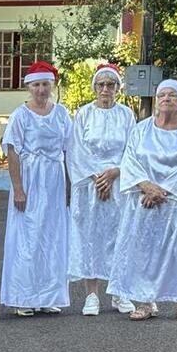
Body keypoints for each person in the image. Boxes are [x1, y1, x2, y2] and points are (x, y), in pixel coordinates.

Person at [107, 78, 177, 322]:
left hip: (174, 203)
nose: (166, 99)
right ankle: (146, 301)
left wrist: (163, 191)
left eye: (172, 95)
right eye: (162, 95)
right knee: (143, 250)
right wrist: (146, 187)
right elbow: (130, 161)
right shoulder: (141, 130)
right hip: (143, 201)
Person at [1, 61, 73, 316]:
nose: (41, 89)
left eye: (45, 84)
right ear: (29, 87)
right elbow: (12, 151)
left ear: (51, 86)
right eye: (36, 85)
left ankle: (48, 295)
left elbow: (69, 151)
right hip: (30, 179)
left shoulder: (62, 113)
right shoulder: (21, 115)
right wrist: (18, 189)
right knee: (27, 237)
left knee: (52, 237)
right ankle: (23, 297)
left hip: (53, 179)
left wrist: (68, 186)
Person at [66, 63, 136, 316]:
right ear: (94, 87)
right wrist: (97, 177)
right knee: (90, 237)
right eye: (101, 84)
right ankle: (92, 294)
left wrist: (113, 173)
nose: (105, 89)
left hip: (119, 184)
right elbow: (75, 151)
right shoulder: (83, 114)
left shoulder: (127, 115)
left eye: (111, 84)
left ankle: (119, 292)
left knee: (119, 237)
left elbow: (132, 150)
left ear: (118, 88)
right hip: (90, 185)